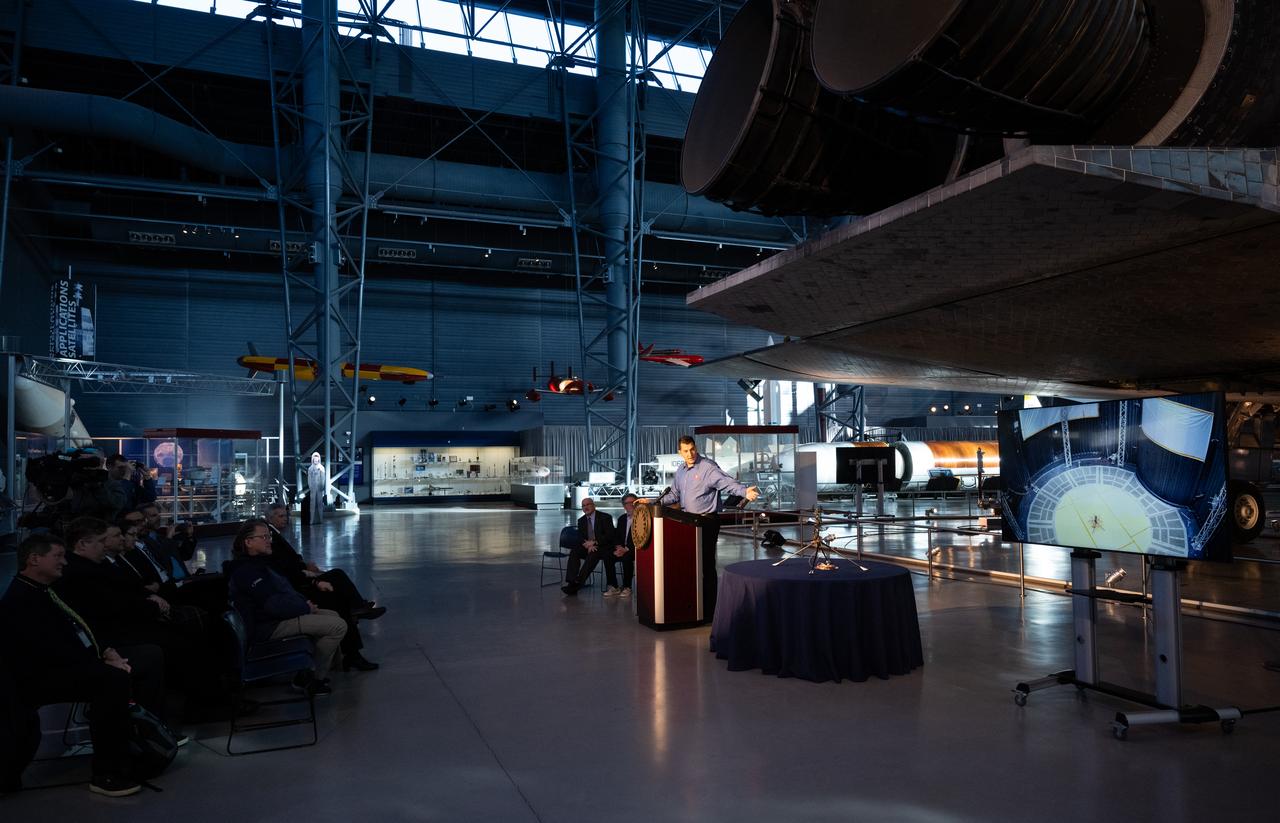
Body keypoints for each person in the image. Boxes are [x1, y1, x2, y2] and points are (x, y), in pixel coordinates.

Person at [0, 533, 166, 797]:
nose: (64, 562)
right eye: (58, 556)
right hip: (32, 678)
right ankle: (106, 772)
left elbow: (73, 630)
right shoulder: (21, 600)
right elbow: (48, 651)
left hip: (57, 666)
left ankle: (139, 745)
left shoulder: (42, 591)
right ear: (34, 559)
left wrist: (106, 652)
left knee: (126, 669)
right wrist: (101, 661)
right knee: (112, 681)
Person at [638, 436, 758, 620]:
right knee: (690, 566)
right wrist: (653, 501)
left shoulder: (707, 467)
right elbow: (674, 495)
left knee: (706, 566)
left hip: (706, 521)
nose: (690, 453)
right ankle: (694, 606)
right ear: (680, 452)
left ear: (696, 448)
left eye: (692, 449)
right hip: (687, 523)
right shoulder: (681, 470)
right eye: (685, 451)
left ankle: (710, 611)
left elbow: (726, 482)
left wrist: (744, 491)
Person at [226, 519, 346, 694]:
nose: (269, 540)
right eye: (264, 536)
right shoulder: (247, 571)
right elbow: (274, 606)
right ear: (248, 542)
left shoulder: (259, 564)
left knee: (334, 615)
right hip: (268, 626)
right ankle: (312, 679)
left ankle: (312, 669)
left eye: (269, 536)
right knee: (337, 626)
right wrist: (305, 608)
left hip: (274, 619)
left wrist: (304, 604)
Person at [264, 503, 382, 671]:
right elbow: (285, 570)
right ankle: (356, 613)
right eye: (280, 516)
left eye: (286, 516)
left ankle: (356, 617)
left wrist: (305, 568)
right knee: (338, 589)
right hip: (298, 588)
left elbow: (286, 566)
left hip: (298, 582)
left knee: (338, 587)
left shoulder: (274, 537)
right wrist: (312, 578)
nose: (285, 519)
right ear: (269, 518)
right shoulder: (271, 540)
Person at [561, 497, 614, 596]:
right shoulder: (581, 520)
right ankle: (572, 581)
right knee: (575, 551)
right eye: (583, 506)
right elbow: (581, 537)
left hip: (603, 547)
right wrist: (587, 545)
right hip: (589, 546)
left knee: (593, 554)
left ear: (594, 505)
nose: (586, 507)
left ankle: (577, 584)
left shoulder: (605, 517)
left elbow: (609, 536)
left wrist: (594, 542)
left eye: (588, 504)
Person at [601, 493, 639, 597]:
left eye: (633, 502)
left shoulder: (642, 518)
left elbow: (641, 538)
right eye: (628, 503)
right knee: (607, 555)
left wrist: (626, 549)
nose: (631, 505)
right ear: (624, 506)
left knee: (627, 558)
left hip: (636, 548)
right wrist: (618, 547)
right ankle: (614, 587)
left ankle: (627, 587)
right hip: (622, 548)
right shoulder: (622, 518)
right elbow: (616, 535)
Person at [306, 452, 327, 525]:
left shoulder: (321, 468)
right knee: (312, 504)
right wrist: (310, 487)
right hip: (313, 488)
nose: (315, 461)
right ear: (312, 460)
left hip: (319, 488)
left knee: (320, 503)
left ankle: (321, 519)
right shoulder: (310, 468)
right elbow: (309, 479)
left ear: (319, 460)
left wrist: (322, 486)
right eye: (314, 460)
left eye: (317, 460)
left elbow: (323, 478)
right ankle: (312, 520)